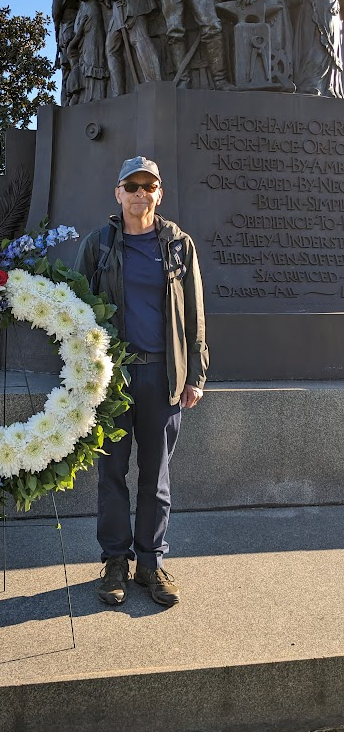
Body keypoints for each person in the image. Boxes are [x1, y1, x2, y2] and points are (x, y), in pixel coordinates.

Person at [74, 156, 208, 607]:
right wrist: (82, 376)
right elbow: (76, 313)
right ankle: (115, 561)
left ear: (158, 194)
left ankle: (151, 562)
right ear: (118, 193)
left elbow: (194, 315)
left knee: (156, 475)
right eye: (131, 185)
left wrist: (195, 375)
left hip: (163, 375)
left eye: (147, 186)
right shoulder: (98, 245)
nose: (139, 193)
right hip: (112, 380)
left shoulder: (177, 245)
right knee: (112, 471)